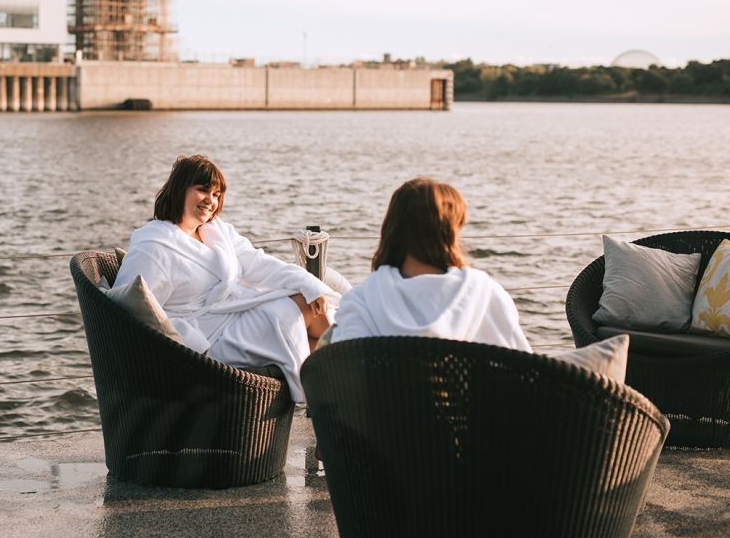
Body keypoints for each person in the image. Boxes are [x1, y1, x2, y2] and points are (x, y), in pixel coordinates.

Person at [115, 154, 335, 402]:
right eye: (203, 190)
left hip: (233, 318)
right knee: (298, 311)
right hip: (207, 341)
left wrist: (310, 285)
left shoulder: (216, 231)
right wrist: (191, 346)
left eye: (217, 194)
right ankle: (341, 392)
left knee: (314, 308)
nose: (211, 200)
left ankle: (334, 391)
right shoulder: (155, 246)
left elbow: (257, 262)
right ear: (180, 190)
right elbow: (132, 309)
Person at [331, 177, 531, 351]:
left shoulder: (360, 302)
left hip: (385, 395)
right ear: (451, 233)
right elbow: (524, 374)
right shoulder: (485, 294)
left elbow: (339, 379)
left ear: (392, 229)